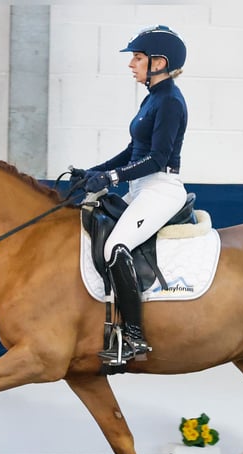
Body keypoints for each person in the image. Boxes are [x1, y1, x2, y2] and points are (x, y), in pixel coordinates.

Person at [73, 24, 189, 364]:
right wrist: (94, 171)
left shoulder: (170, 102)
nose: (131, 64)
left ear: (159, 62)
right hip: (141, 188)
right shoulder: (153, 99)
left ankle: (135, 336)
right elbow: (133, 151)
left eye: (138, 58)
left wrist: (110, 177)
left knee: (115, 246)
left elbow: (157, 159)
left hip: (161, 189)